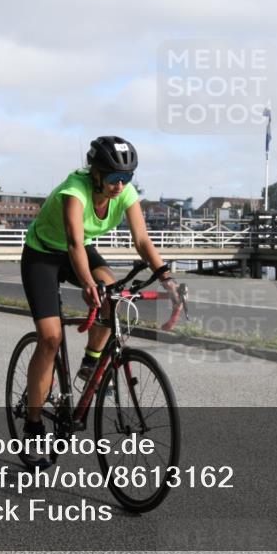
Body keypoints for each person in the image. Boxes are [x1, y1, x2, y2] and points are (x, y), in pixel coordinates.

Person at [20, 136, 180, 467]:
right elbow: (75, 242)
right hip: (43, 255)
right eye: (112, 178)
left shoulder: (125, 192)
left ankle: (90, 363)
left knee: (113, 296)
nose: (119, 185)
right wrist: (87, 282)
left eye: (127, 178)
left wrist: (167, 278)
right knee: (50, 338)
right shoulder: (74, 190)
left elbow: (141, 239)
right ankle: (34, 424)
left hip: (80, 251)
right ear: (95, 173)